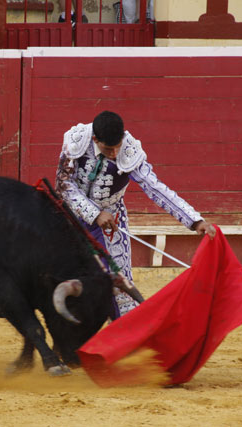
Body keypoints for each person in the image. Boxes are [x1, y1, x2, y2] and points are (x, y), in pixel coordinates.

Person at [55, 111, 216, 318]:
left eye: (117, 147)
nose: (114, 153)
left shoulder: (129, 150)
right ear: (95, 139)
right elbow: (64, 185)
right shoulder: (78, 139)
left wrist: (195, 221)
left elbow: (155, 188)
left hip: (111, 221)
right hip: (70, 218)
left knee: (122, 287)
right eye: (108, 149)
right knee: (59, 276)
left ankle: (124, 338)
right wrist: (94, 214)